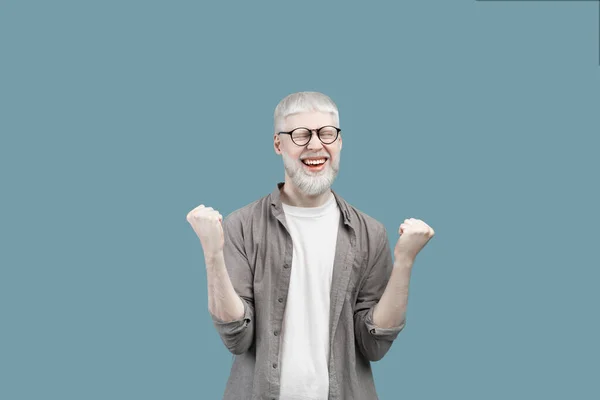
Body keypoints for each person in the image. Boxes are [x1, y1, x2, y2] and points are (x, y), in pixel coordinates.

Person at [186, 91, 435, 400]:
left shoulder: (370, 233)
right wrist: (212, 254)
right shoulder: (242, 225)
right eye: (300, 134)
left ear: (340, 142)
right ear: (279, 144)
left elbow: (374, 345)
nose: (316, 145)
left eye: (327, 133)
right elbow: (238, 338)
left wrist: (405, 261)